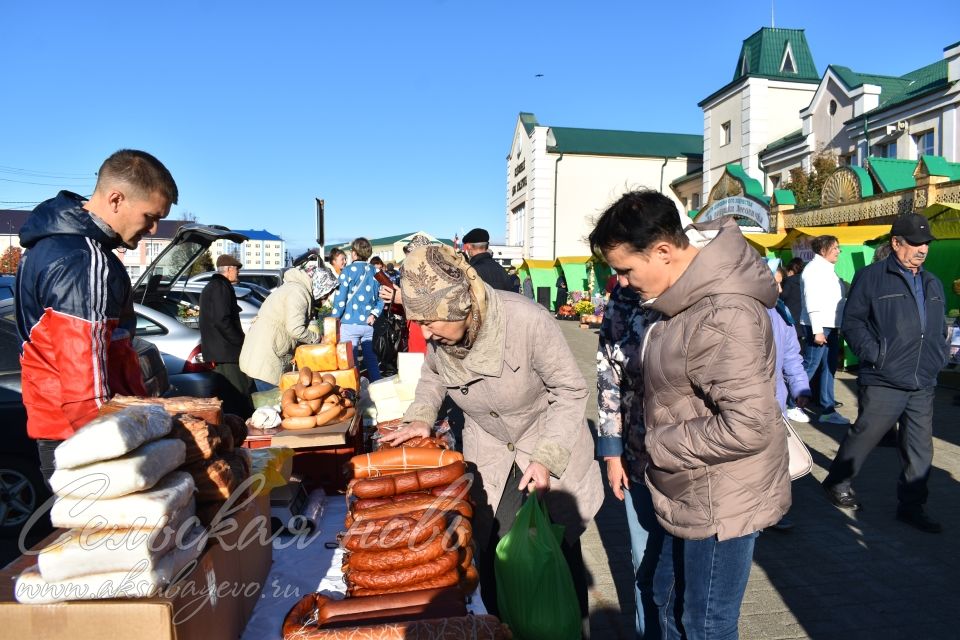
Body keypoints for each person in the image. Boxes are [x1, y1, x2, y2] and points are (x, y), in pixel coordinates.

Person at [589, 190, 789, 640]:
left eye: (625, 269)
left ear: (662, 251)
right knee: (665, 599)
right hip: (689, 484)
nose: (620, 282)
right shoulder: (680, 301)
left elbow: (749, 424)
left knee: (704, 623)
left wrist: (656, 443)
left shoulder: (723, 311)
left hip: (722, 496)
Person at [380, 243, 603, 624]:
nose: (427, 334)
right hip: (491, 451)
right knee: (495, 549)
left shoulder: (526, 320)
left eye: (431, 322)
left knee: (556, 553)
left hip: (547, 439)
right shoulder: (442, 338)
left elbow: (570, 391)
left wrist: (546, 457)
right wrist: (421, 416)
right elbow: (432, 377)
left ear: (458, 305)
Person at [15, 149, 176, 482]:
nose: (154, 228)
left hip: (61, 433)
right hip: (87, 440)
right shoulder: (84, 260)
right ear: (116, 199)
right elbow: (86, 386)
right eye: (149, 216)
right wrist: (114, 456)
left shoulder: (51, 246)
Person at [822, 214, 947, 533]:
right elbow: (853, 321)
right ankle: (837, 482)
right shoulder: (872, 277)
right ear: (896, 243)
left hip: (922, 380)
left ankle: (912, 506)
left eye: (926, 244)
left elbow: (936, 325)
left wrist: (939, 356)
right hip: (884, 378)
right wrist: (876, 355)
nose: (922, 250)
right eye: (916, 243)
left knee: (920, 448)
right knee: (865, 435)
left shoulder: (932, 282)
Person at [597, 282, 664, 637]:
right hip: (637, 456)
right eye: (615, 269)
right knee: (645, 564)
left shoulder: (697, 291)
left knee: (688, 576)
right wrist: (611, 452)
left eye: (626, 267)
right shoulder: (622, 300)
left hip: (694, 465)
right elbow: (607, 375)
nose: (621, 279)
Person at [240, 260, 338, 387]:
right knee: (270, 403)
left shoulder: (294, 288)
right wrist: (318, 339)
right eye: (326, 293)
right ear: (319, 285)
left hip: (261, 354)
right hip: (266, 359)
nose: (325, 298)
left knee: (267, 404)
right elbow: (295, 329)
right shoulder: (299, 293)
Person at [766, 258, 812, 531]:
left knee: (776, 459)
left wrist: (800, 387)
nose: (779, 290)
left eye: (780, 284)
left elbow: (792, 357)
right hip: (746, 405)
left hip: (776, 402)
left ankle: (776, 512)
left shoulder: (782, 314)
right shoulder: (739, 313)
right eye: (774, 283)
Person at [799, 235, 850, 425]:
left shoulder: (829, 270)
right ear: (823, 250)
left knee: (829, 368)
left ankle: (828, 409)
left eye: (838, 247)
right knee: (810, 365)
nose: (838, 251)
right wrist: (817, 330)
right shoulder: (813, 270)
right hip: (819, 325)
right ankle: (790, 403)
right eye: (835, 247)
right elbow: (812, 301)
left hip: (831, 325)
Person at [200, 254, 255, 417]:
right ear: (229, 269)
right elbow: (221, 320)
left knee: (231, 396)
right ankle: (240, 431)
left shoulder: (216, 286)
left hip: (222, 352)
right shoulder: (219, 287)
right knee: (238, 396)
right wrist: (240, 342)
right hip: (226, 353)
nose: (238, 272)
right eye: (237, 269)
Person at [330, 237, 384, 381]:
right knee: (372, 362)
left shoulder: (347, 271)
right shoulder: (376, 272)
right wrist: (374, 313)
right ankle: (377, 391)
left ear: (354, 253)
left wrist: (334, 318)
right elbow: (383, 298)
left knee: (350, 364)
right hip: (369, 324)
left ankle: (353, 396)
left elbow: (340, 300)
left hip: (349, 323)